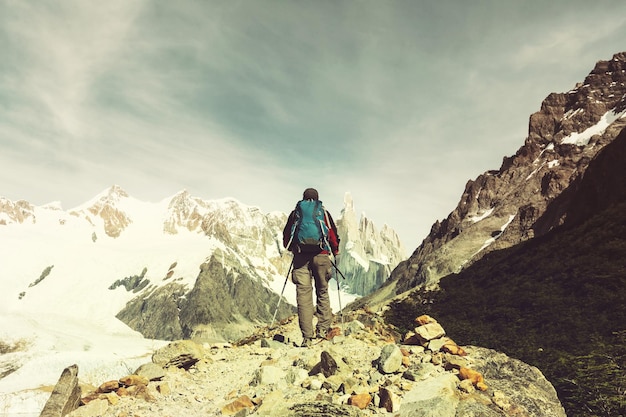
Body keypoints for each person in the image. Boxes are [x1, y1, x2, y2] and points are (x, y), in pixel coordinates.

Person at [283, 188, 340, 347]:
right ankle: (322, 329)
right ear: (317, 199)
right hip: (321, 256)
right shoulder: (323, 212)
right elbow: (332, 235)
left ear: (303, 198)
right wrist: (335, 250)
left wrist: (292, 248)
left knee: (303, 296)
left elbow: (287, 236)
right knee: (322, 291)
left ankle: (307, 337)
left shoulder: (296, 214)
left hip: (300, 258)